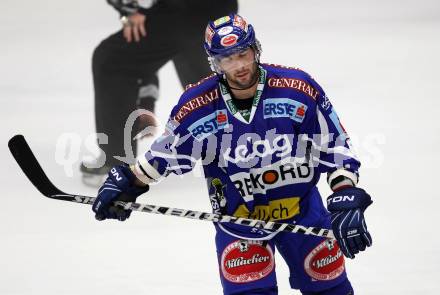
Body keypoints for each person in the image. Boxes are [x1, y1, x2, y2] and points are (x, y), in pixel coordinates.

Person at [92, 14, 373, 295]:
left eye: (243, 54)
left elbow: (335, 146)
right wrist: (128, 180)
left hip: (303, 213)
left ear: (255, 49)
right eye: (227, 59)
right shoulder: (197, 107)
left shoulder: (298, 89)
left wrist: (344, 193)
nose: (238, 66)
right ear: (214, 62)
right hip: (239, 223)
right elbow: (164, 156)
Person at [80, 0, 238, 185]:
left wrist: (129, 10)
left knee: (112, 61)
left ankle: (116, 163)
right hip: (217, 9)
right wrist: (146, 101)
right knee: (188, 57)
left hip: (183, 11)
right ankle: (246, 146)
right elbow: (149, 54)